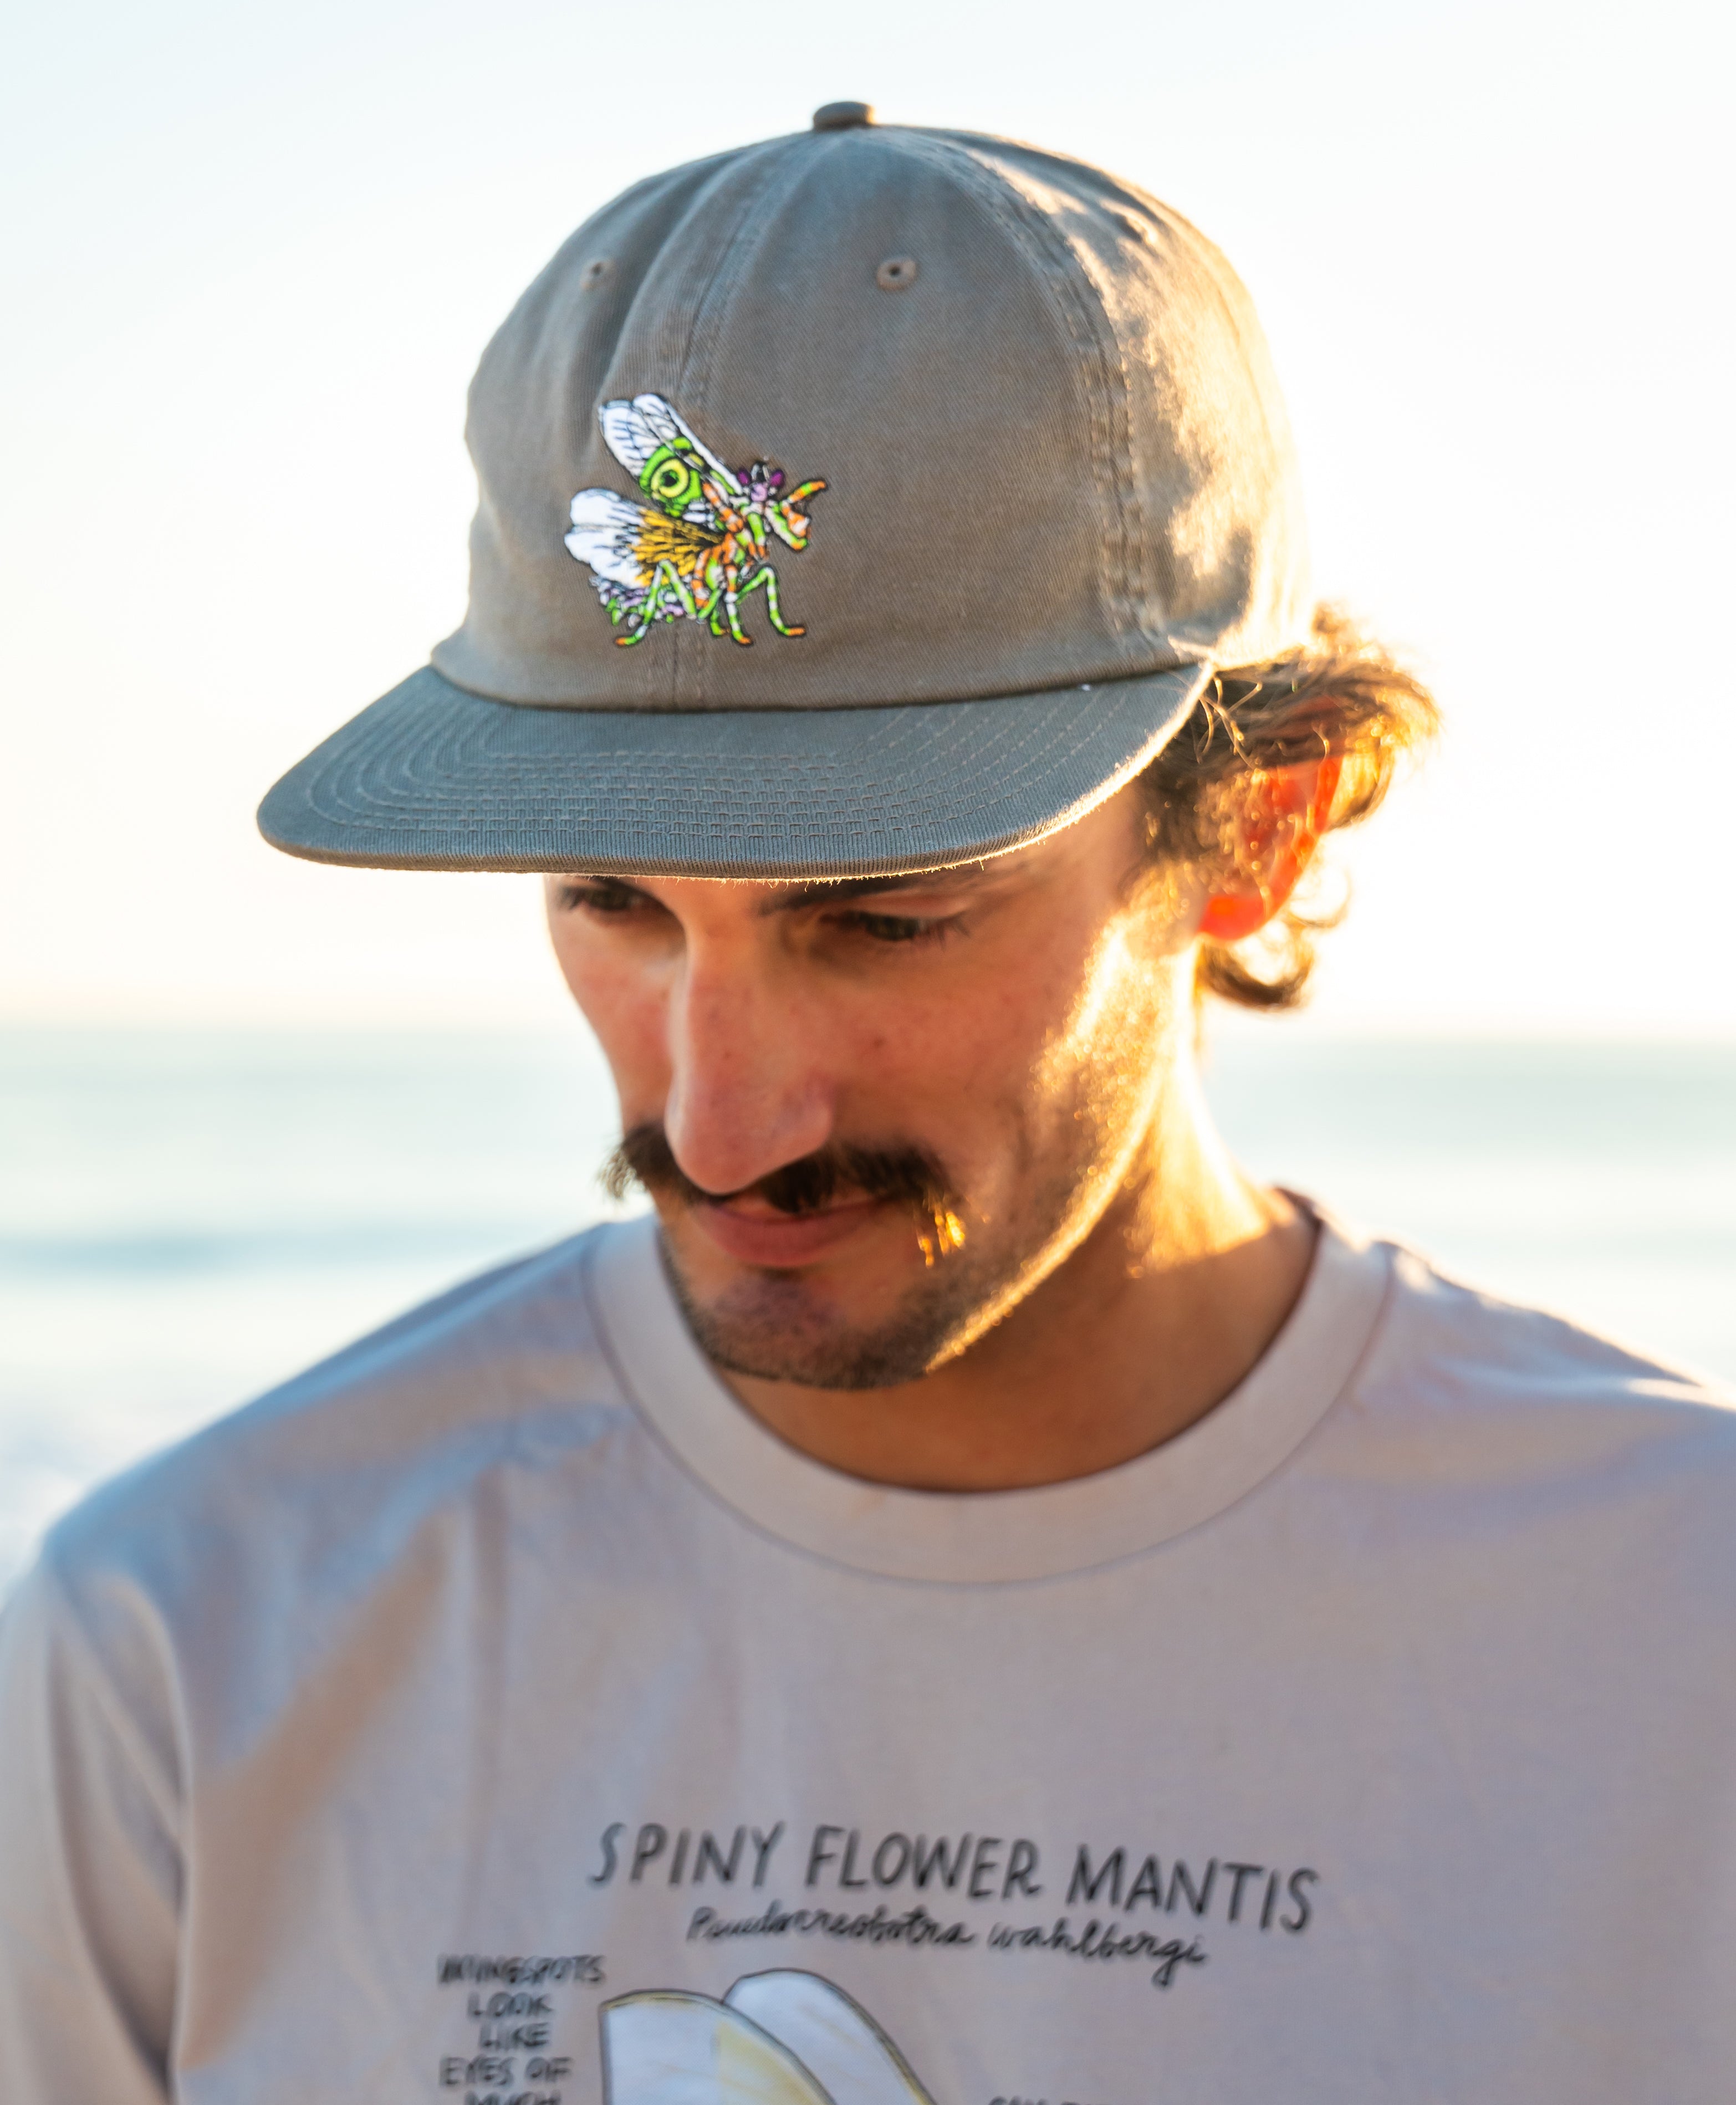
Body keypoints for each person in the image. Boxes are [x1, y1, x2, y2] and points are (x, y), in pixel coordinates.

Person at [2, 105, 1732, 2105]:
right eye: (612, 903)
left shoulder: (1671, 1644)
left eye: (886, 918)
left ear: (1259, 829)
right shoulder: (192, 1638)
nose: (715, 1124)